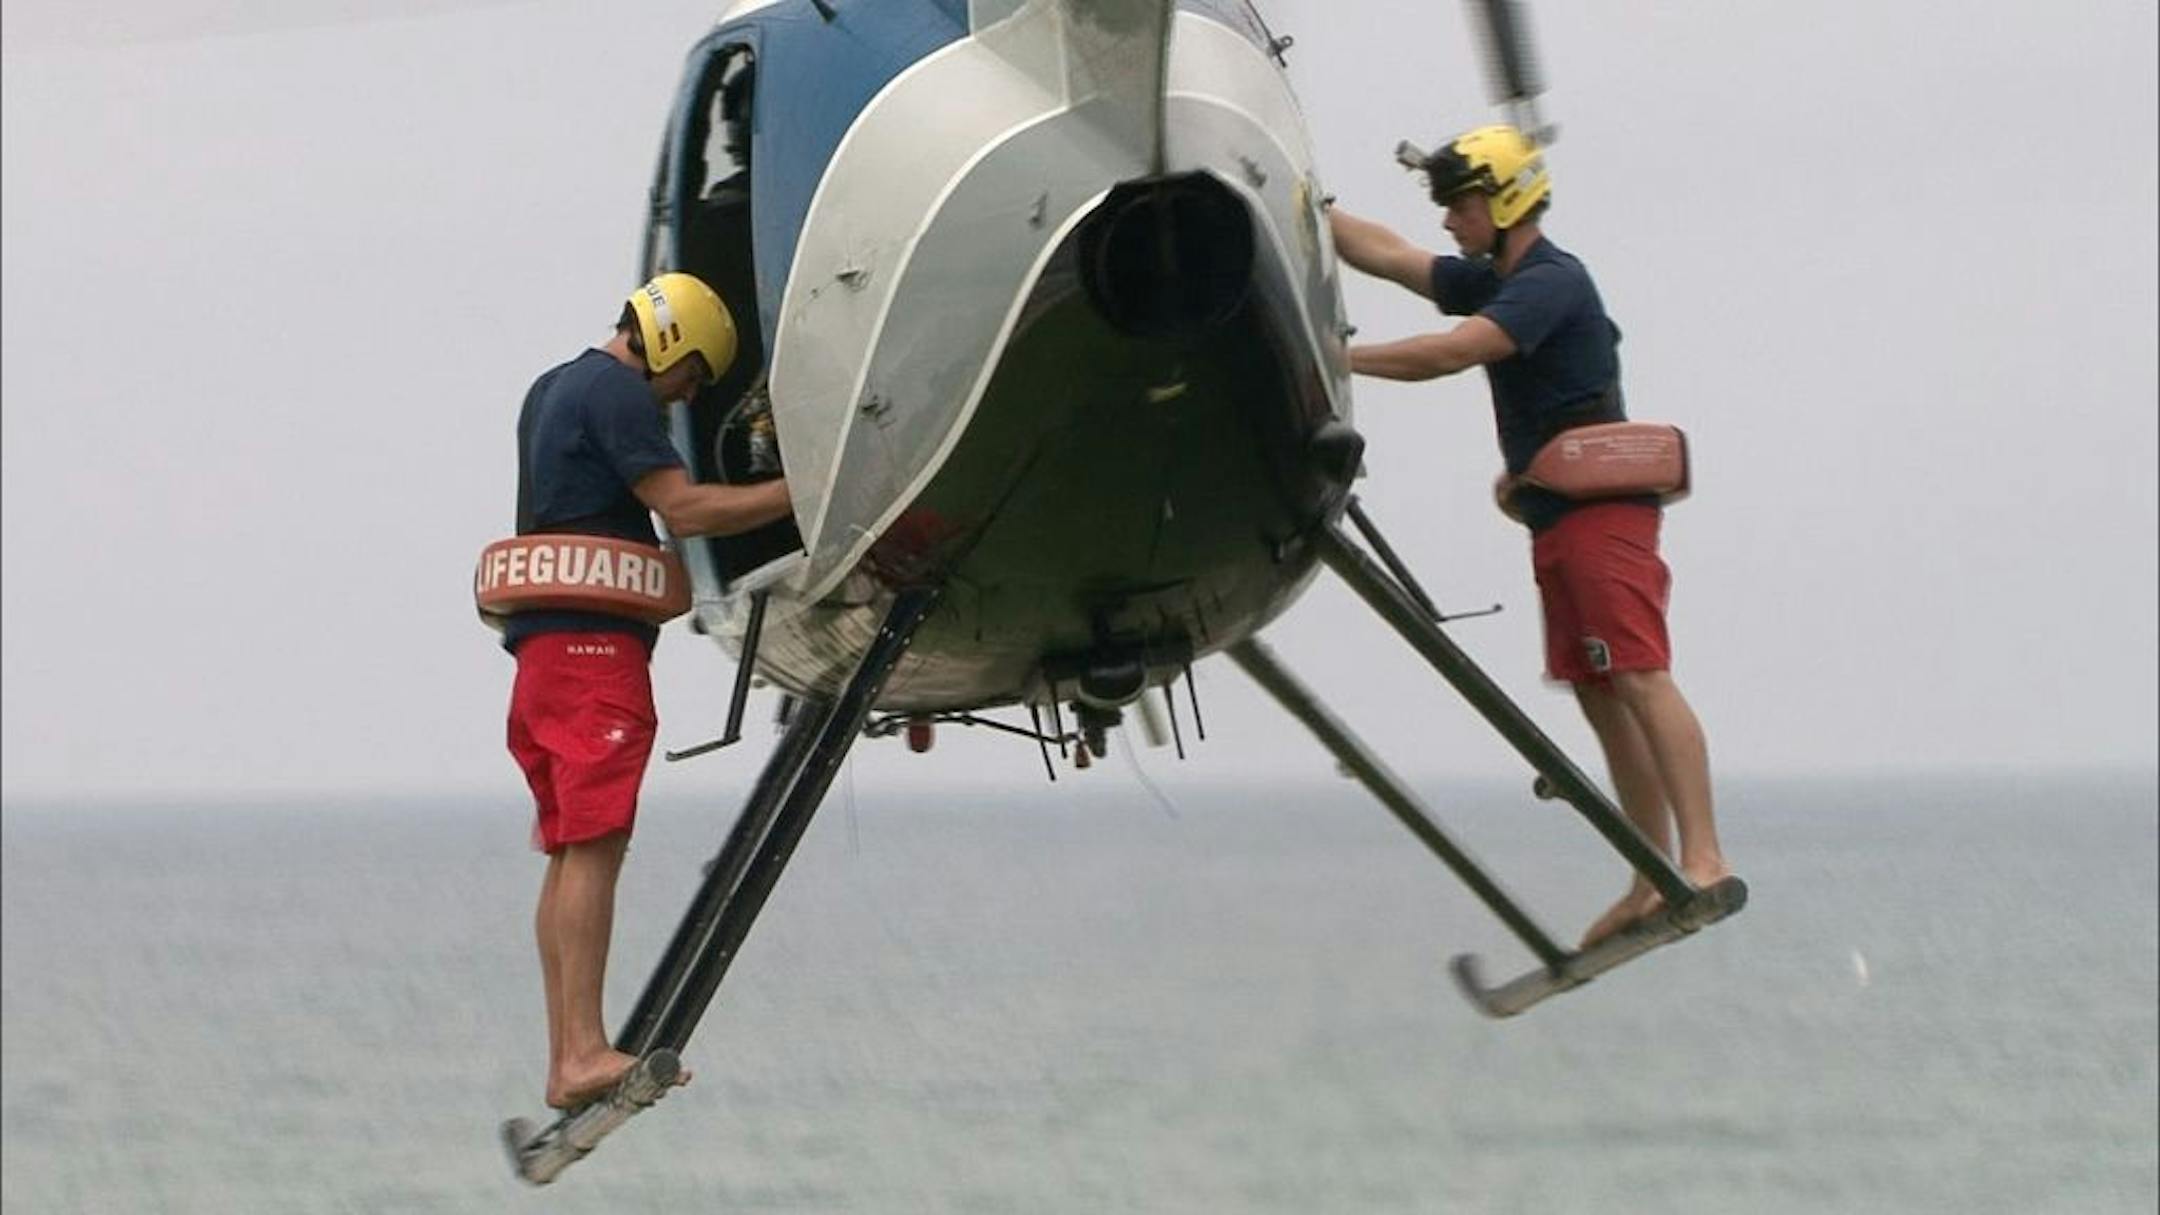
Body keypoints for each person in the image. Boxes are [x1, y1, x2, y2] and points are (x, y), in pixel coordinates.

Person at [1327, 124, 1729, 948]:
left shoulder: (1549, 283)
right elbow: (1392, 254)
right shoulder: (1496, 277)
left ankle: (1705, 858)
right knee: (1596, 687)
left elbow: (1454, 353)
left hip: (1602, 518)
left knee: (1643, 677)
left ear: (1504, 202)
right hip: (1557, 521)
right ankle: (1649, 871)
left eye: (1461, 205)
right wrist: (1301, 203)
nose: (1449, 222)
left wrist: (1337, 362)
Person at [501, 271, 793, 1110]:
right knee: (594, 844)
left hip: (542, 658)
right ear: (671, 342)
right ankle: (585, 1050)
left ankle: (566, 1053)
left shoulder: (548, 390)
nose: (684, 400)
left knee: (567, 850)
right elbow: (685, 507)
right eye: (691, 377)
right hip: (594, 655)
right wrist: (799, 495)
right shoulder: (619, 394)